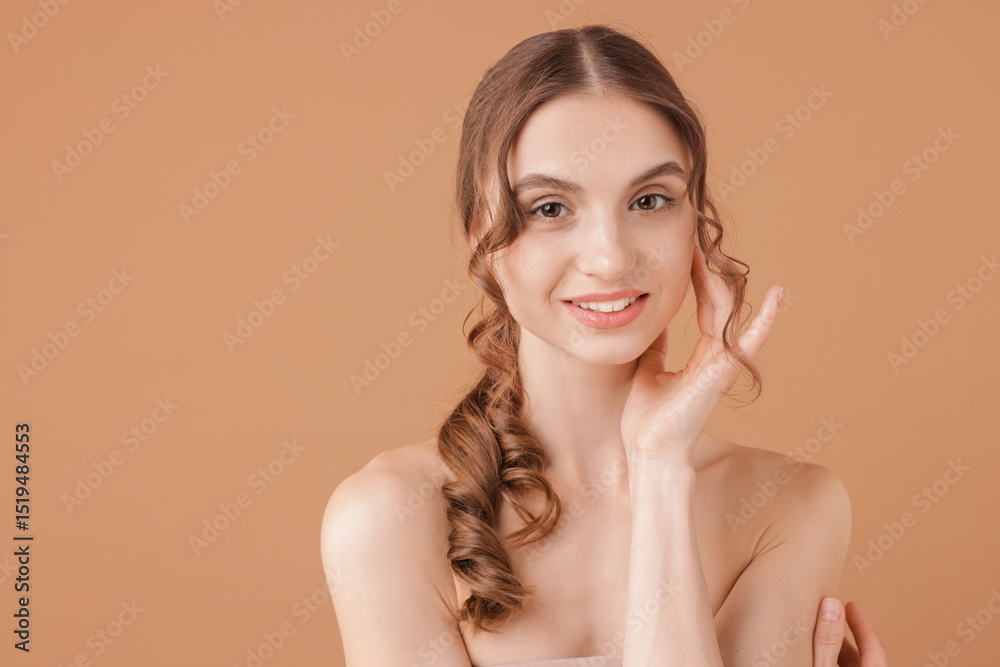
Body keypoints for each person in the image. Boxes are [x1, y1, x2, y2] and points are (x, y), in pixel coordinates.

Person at [321, 23, 888, 666]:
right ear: (483, 238)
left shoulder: (792, 506)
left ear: (696, 222)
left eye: (649, 200)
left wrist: (660, 467)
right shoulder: (386, 518)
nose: (611, 258)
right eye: (549, 208)